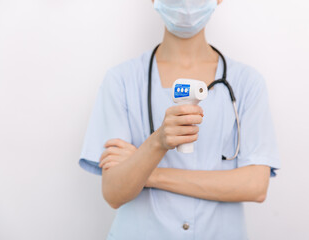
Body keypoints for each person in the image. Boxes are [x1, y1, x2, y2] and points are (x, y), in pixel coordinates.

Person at [78, 0, 281, 239]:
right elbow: (113, 193)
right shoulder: (121, 80)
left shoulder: (247, 82)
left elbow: (255, 186)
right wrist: (158, 142)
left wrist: (147, 173)